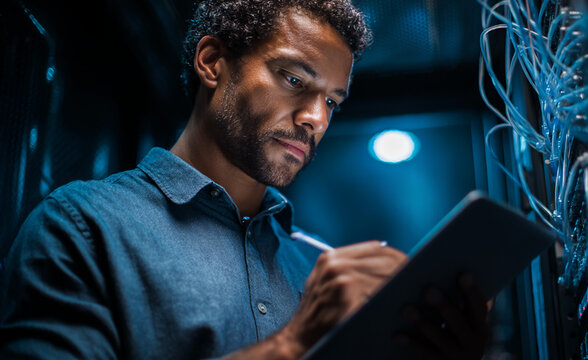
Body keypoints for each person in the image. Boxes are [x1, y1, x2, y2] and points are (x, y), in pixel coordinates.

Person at [0, 0, 489, 358]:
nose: (316, 119)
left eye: (333, 102)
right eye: (295, 80)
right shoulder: (83, 228)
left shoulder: (318, 266)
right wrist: (291, 345)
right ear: (213, 63)